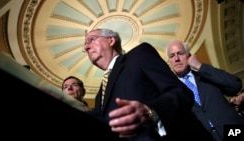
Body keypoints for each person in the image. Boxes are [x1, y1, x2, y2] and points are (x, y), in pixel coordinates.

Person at [84, 28, 214, 141]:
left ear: (111, 40)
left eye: (91, 40)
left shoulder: (139, 54)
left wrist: (152, 112)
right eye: (85, 45)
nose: (86, 47)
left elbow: (180, 92)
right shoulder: (99, 96)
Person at [165, 39, 244, 141]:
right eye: (172, 56)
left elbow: (235, 85)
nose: (176, 59)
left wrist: (199, 66)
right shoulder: (172, 91)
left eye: (180, 53)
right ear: (169, 62)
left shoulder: (206, 74)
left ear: (189, 56)